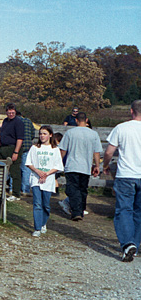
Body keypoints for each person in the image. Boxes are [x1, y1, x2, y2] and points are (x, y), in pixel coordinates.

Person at [102, 100, 141, 262]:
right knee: (139, 212)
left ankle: (127, 244)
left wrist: (105, 165)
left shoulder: (122, 128)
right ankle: (135, 245)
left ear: (131, 111)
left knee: (124, 210)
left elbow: (110, 151)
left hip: (126, 174)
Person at [59, 112, 101, 221]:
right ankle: (81, 210)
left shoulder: (70, 133)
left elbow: (63, 150)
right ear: (86, 120)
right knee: (83, 189)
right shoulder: (93, 134)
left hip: (72, 165)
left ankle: (76, 211)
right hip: (85, 167)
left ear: (76, 120)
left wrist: (59, 163)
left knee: (73, 189)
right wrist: (97, 166)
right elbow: (96, 152)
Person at [25, 126, 64, 237]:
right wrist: (38, 172)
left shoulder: (55, 149)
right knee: (37, 203)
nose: (42, 136)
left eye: (45, 133)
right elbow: (29, 162)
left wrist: (46, 174)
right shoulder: (34, 148)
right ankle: (37, 228)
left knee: (45, 205)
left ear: (50, 135)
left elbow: (58, 166)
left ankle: (43, 223)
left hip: (48, 180)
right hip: (36, 179)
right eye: (41, 133)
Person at [0, 103, 25, 201]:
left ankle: (16, 194)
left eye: (12, 112)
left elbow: (20, 138)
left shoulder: (18, 122)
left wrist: (16, 152)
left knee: (15, 172)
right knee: (2, 171)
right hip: (3, 148)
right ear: (6, 112)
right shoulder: (5, 121)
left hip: (13, 148)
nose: (11, 114)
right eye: (9, 112)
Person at [17, 110, 37, 196]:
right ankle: (25, 189)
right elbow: (33, 134)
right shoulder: (28, 121)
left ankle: (13, 188)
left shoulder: (15, 122)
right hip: (27, 146)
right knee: (26, 169)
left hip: (17, 147)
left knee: (15, 168)